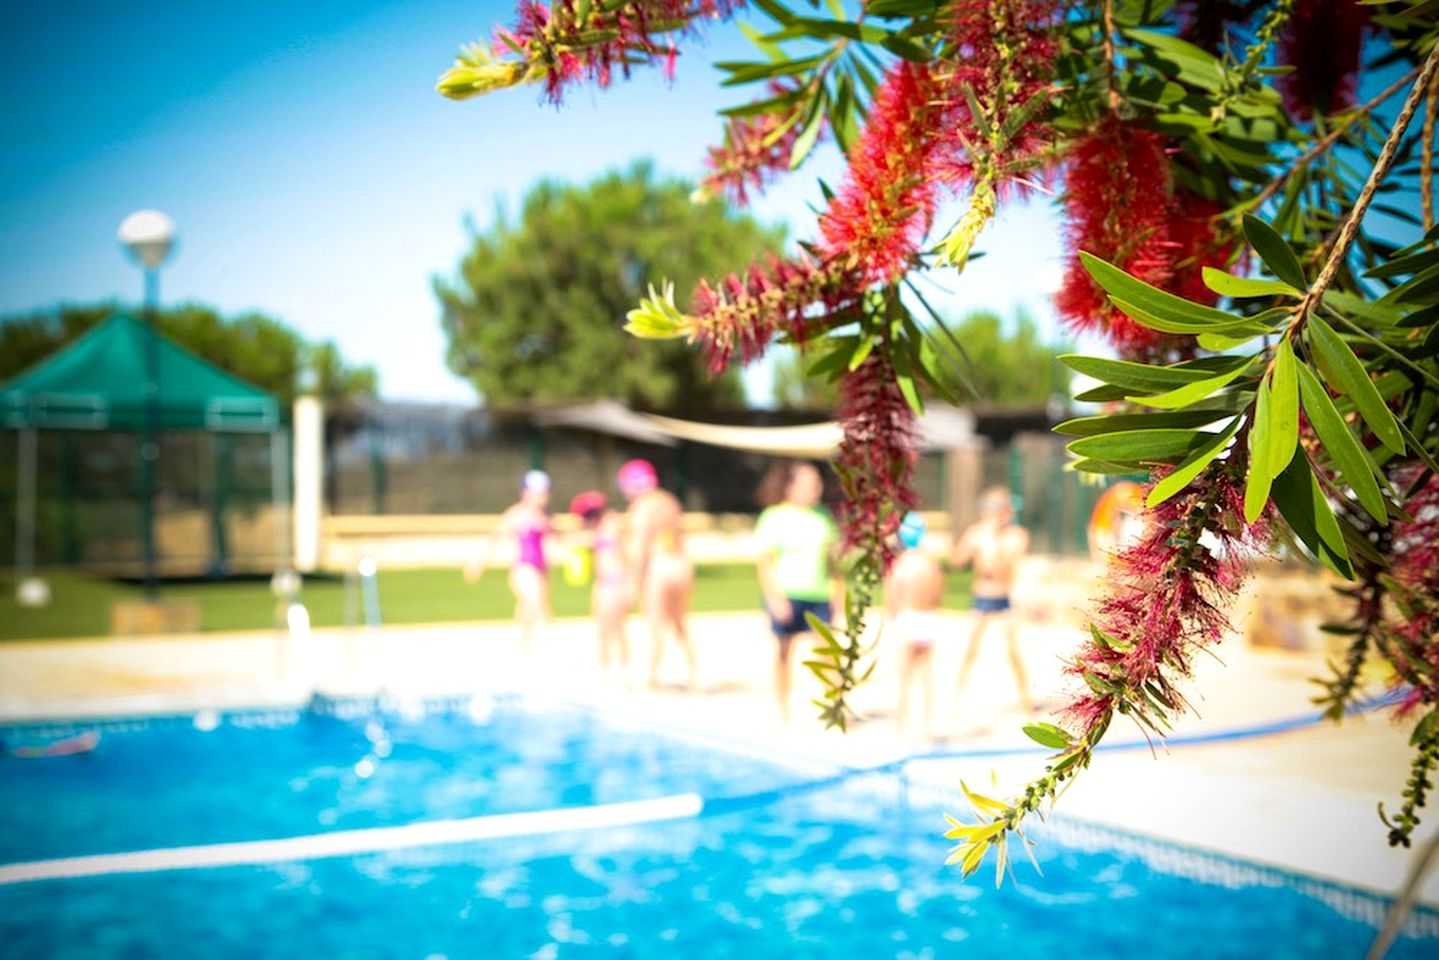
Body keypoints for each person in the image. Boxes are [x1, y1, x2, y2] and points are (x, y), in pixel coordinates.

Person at [754, 460, 842, 723]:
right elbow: (765, 563)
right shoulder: (773, 517)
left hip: (819, 594)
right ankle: (783, 709)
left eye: (817, 484)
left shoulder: (823, 517)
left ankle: (836, 706)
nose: (816, 489)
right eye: (809, 484)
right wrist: (774, 598)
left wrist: (838, 591)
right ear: (790, 487)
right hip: (788, 593)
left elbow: (832, 562)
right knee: (784, 653)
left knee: (829, 653)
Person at [951, 486, 1034, 714]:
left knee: (1013, 652)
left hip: (1004, 596)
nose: (992, 512)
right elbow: (957, 561)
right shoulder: (976, 533)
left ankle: (1025, 699)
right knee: (970, 649)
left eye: (998, 508)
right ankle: (957, 696)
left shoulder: (1016, 535)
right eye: (988, 507)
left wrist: (994, 541)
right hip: (981, 595)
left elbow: (1010, 563)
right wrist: (975, 541)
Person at [618, 459, 696, 690]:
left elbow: (641, 546)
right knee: (680, 622)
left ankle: (653, 676)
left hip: (658, 566)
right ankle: (693, 672)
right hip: (679, 564)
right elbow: (680, 537)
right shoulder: (669, 501)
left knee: (655, 624)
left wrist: (634, 581)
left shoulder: (642, 508)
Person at [466, 469, 553, 651]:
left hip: (541, 569)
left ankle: (522, 642)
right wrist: (479, 563)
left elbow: (556, 539)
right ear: (525, 492)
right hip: (523, 567)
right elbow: (494, 538)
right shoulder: (517, 514)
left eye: (544, 492)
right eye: (537, 492)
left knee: (530, 605)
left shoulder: (546, 516)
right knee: (534, 600)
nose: (542, 496)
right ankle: (545, 641)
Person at [886, 512, 946, 739]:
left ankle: (901, 724)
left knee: (905, 675)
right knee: (926, 675)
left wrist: (892, 619)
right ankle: (928, 725)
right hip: (927, 618)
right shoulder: (931, 564)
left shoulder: (899, 565)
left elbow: (893, 597)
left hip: (908, 618)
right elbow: (938, 595)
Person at [570, 490, 630, 681]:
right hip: (603, 582)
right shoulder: (600, 528)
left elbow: (627, 554)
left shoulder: (613, 526)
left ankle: (622, 667)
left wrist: (630, 583)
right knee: (603, 626)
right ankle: (604, 665)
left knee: (616, 626)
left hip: (616, 580)